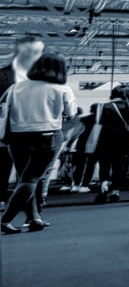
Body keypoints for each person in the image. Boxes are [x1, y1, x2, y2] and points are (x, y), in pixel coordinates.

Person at [2, 53, 74, 234]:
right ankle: (5, 220)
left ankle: (34, 218)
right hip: (47, 135)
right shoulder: (61, 88)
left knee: (24, 178)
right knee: (31, 179)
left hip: (17, 137)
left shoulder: (16, 87)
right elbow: (71, 114)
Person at [1, 34, 46, 208]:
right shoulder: (2, 75)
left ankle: (35, 206)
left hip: (37, 131)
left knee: (35, 171)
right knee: (3, 166)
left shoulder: (43, 79)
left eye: (38, 51)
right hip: (9, 131)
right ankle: (3, 198)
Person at [94, 86, 129, 204]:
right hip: (123, 142)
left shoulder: (105, 106)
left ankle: (104, 185)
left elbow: (99, 125)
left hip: (106, 141)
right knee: (119, 166)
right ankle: (115, 191)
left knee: (104, 165)